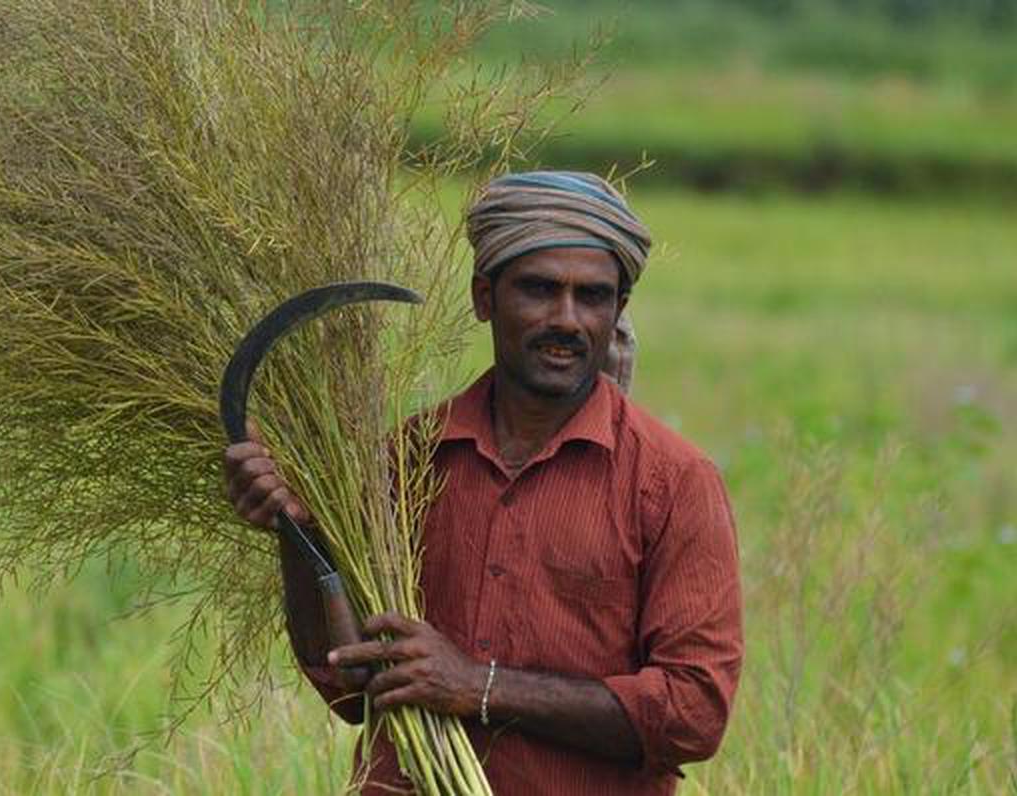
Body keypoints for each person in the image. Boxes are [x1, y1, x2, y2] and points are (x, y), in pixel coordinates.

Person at [224, 171, 742, 795]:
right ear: (483, 297)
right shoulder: (406, 461)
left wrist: (479, 686)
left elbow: (694, 713)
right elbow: (350, 689)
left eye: (593, 297)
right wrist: (297, 530)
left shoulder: (673, 482)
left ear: (619, 310)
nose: (568, 319)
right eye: (540, 290)